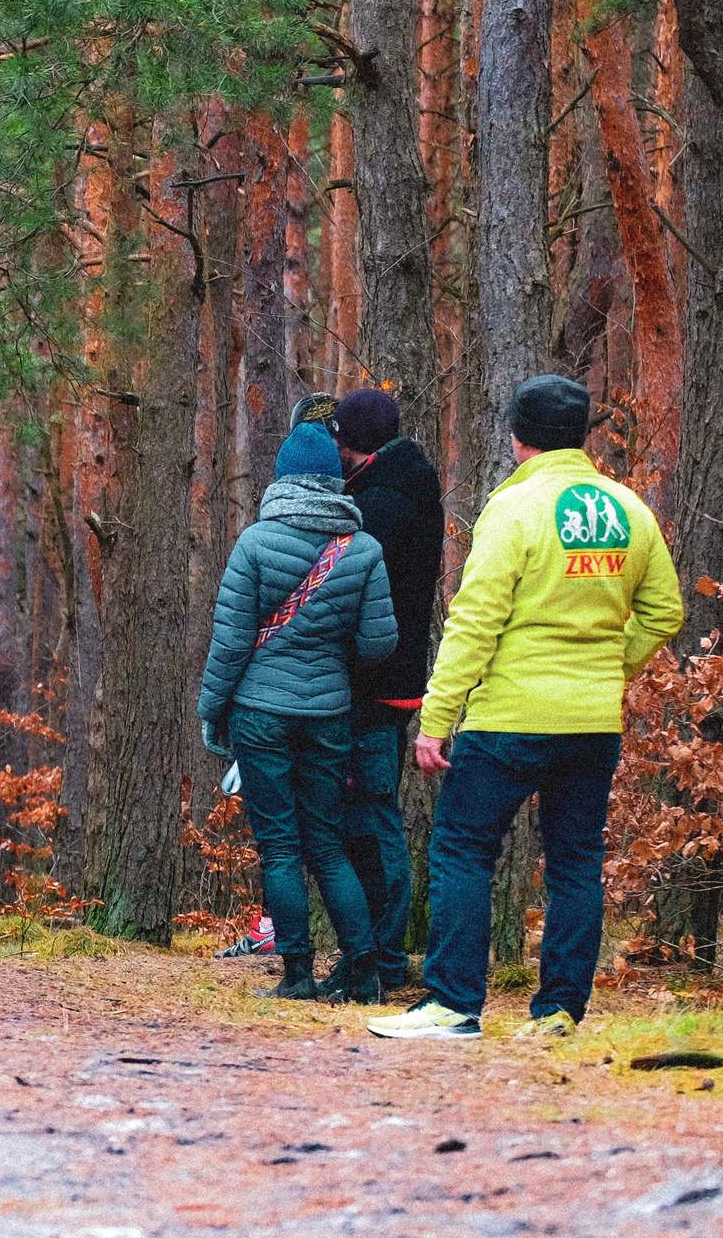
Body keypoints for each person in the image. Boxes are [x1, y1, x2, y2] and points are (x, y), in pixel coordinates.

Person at [371, 375, 682, 1042]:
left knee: (462, 850)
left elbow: (474, 622)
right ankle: (559, 1011)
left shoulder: (514, 508)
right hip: (592, 722)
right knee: (575, 862)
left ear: (517, 436)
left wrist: (435, 721)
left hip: (509, 718)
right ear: (581, 434)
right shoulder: (629, 510)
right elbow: (664, 611)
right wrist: (608, 668)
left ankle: (454, 1004)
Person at [197, 422, 398, 1002]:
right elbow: (378, 644)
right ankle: (363, 970)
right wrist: (330, 656)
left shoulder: (255, 543)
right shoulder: (363, 550)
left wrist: (212, 710)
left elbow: (230, 642)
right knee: (327, 845)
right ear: (335, 481)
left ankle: (298, 974)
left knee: (280, 846)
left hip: (260, 712)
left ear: (282, 479)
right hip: (330, 713)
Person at [322, 388, 445, 996]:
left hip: (371, 686)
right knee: (369, 816)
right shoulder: (406, 490)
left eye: (340, 442)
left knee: (369, 821)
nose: (336, 453)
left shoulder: (378, 507)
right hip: (391, 683)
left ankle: (379, 960)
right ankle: (374, 953)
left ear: (357, 447)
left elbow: (353, 603)